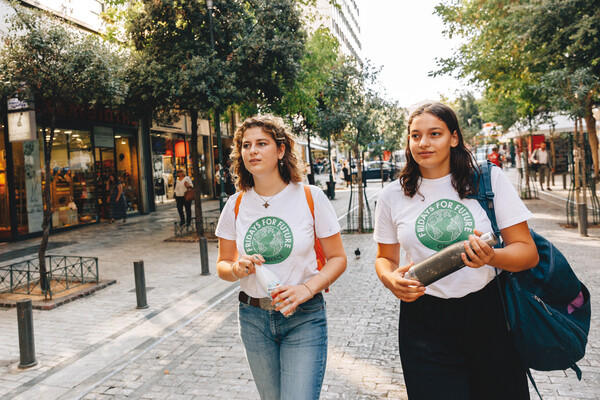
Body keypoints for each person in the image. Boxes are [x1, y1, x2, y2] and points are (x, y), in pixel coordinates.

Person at [373, 103, 539, 400]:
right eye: (415, 136)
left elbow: (528, 253)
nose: (423, 143)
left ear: (453, 137)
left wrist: (492, 257)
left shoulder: (488, 179)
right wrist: (390, 280)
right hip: (423, 320)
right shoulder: (392, 195)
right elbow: (385, 258)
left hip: (489, 314)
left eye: (434, 134)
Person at [215, 114, 347, 400]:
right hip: (253, 318)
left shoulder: (310, 197)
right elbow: (222, 265)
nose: (252, 151)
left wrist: (306, 289)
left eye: (262, 143)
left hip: (305, 316)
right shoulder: (235, 205)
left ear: (281, 149)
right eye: (246, 145)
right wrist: (237, 268)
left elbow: (338, 258)